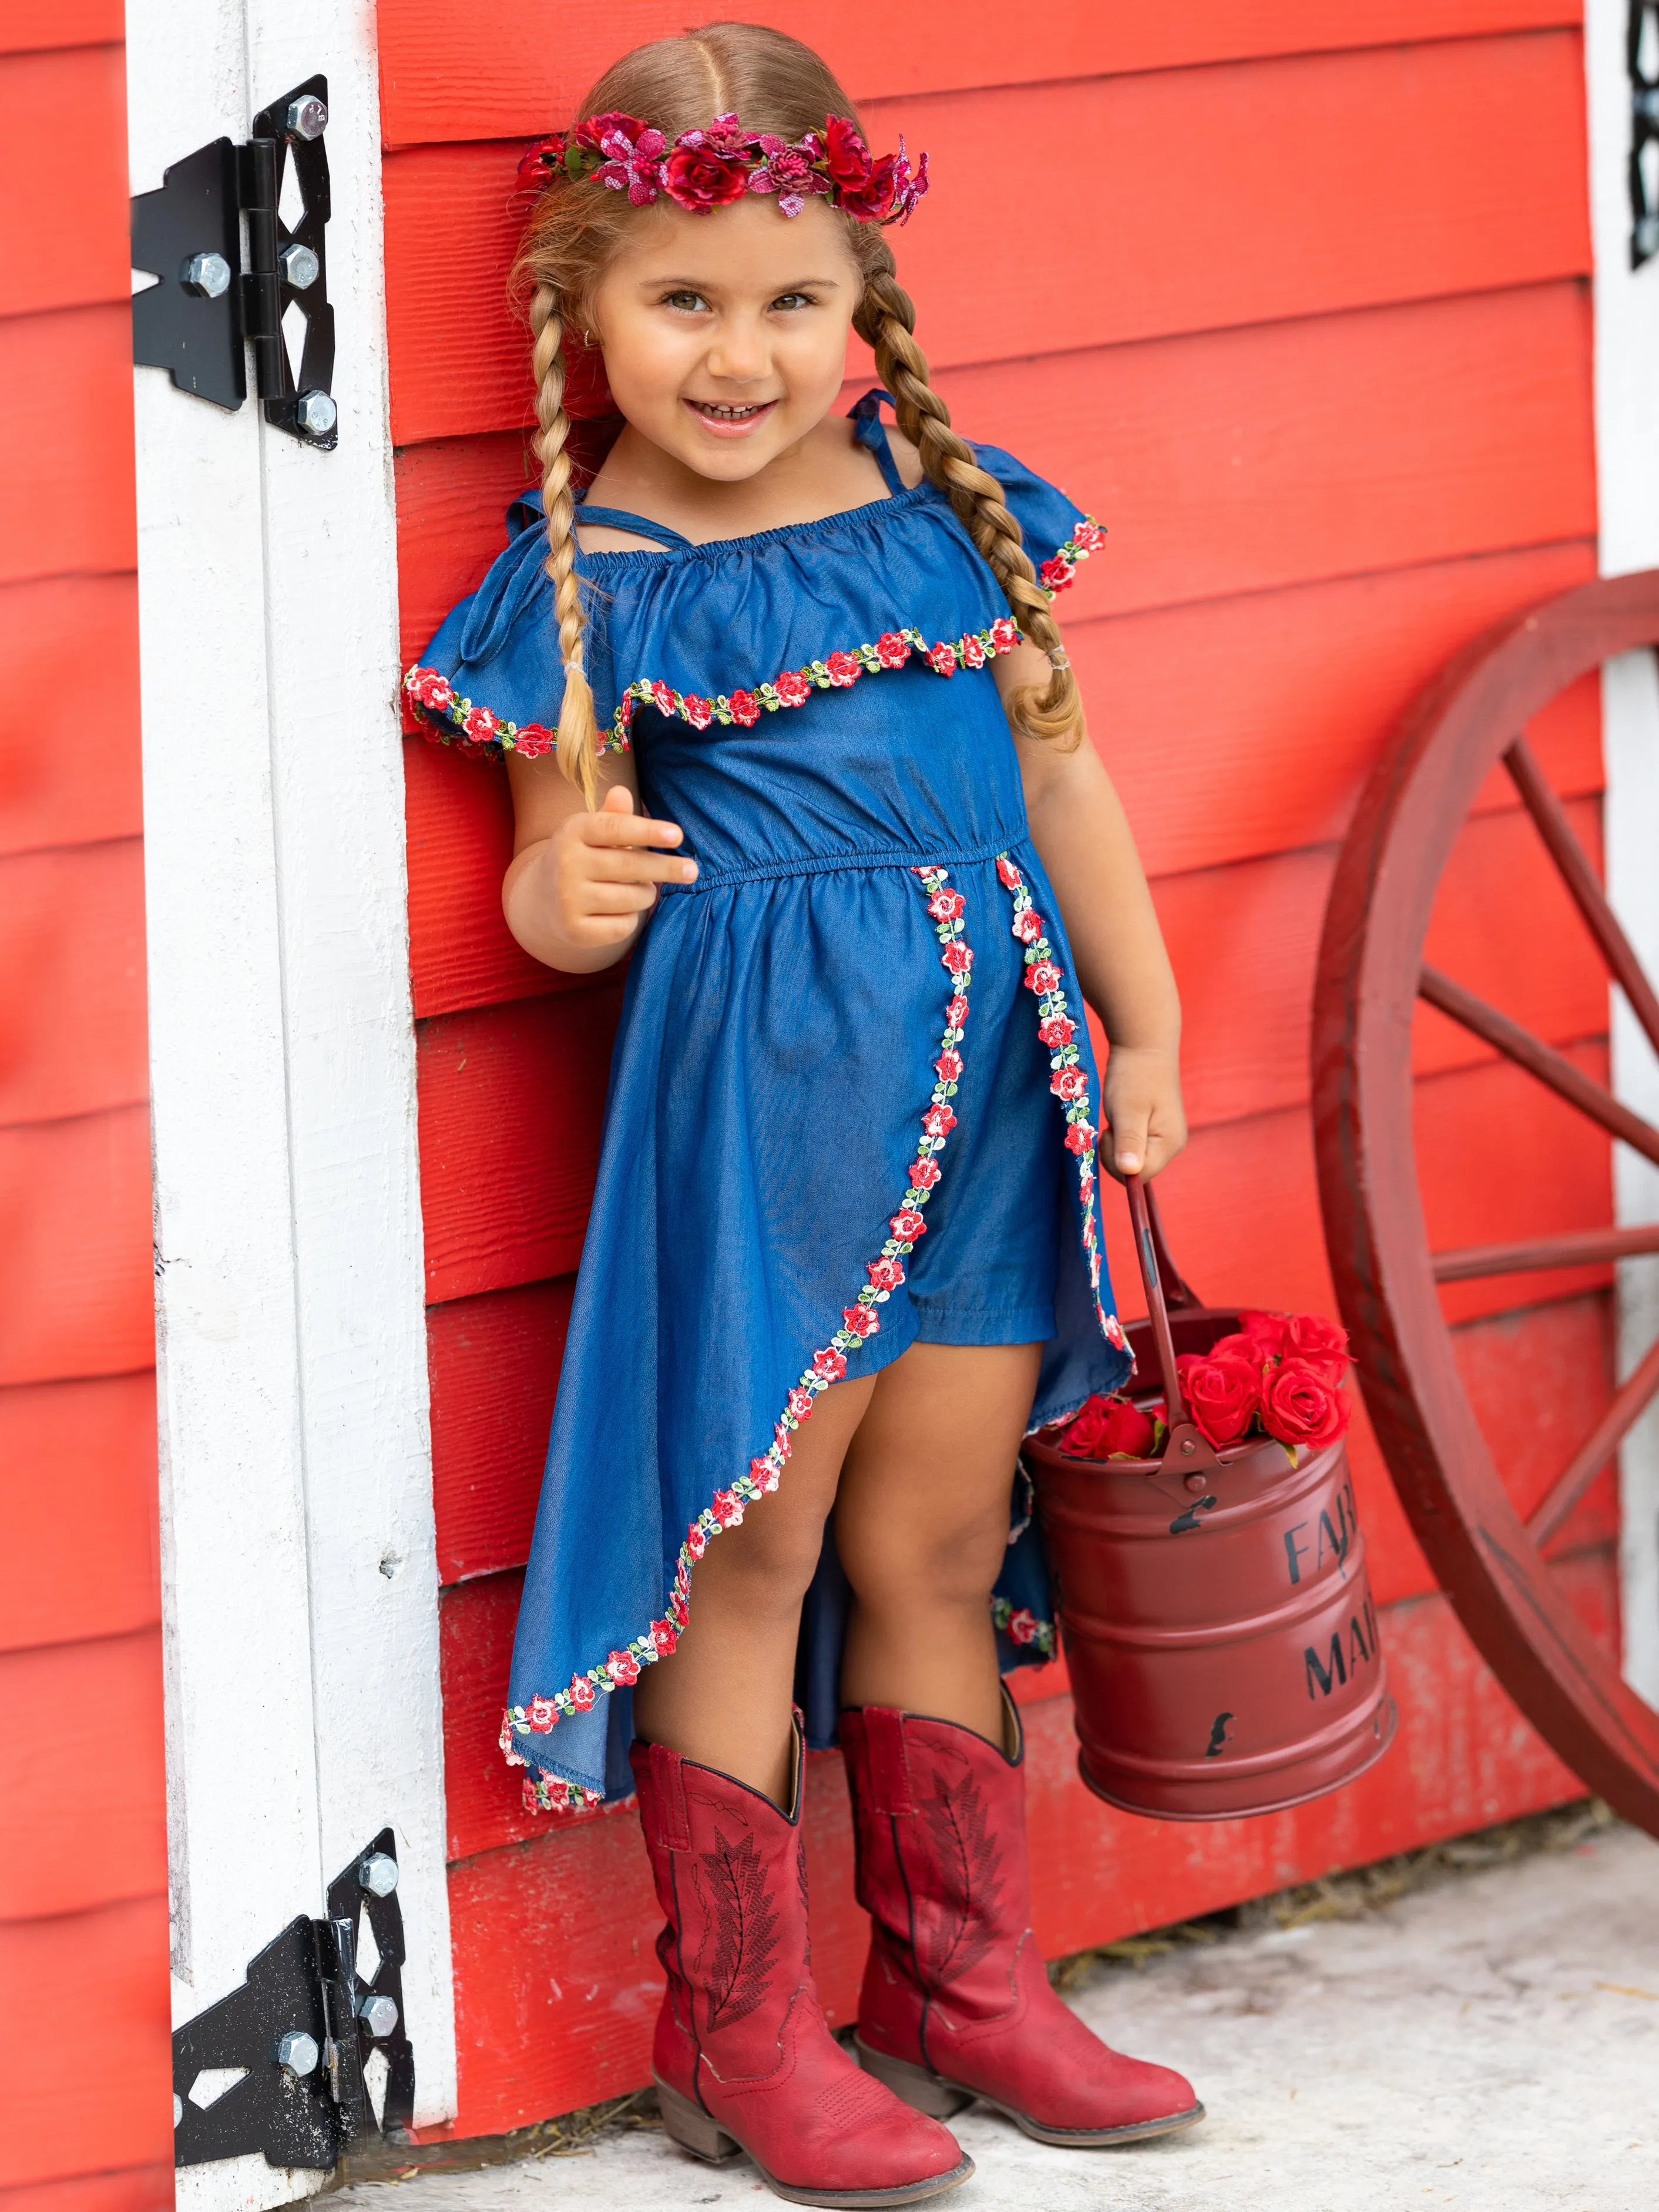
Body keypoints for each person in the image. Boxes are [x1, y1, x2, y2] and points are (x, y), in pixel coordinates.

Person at [404, 22, 1199, 2204]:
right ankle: (736, 2024)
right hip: (768, 1119)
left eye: (792, 300)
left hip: (998, 1096)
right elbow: (557, 879)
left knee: (940, 1529)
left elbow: (1061, 772)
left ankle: (962, 1982)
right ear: (584, 304)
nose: (739, 353)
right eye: (684, 300)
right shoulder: (587, 582)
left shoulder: (951, 515)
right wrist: (559, 890)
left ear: (868, 304)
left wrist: (1145, 1027)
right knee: (754, 1549)